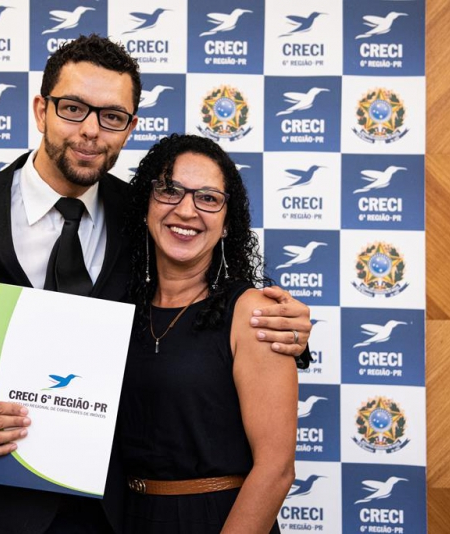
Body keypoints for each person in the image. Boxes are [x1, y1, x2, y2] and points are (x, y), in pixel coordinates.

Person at [0, 35, 309, 534]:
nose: (91, 131)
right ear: (42, 110)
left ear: (129, 129)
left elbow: (198, 304)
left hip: (104, 519)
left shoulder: (145, 217)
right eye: (74, 108)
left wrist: (286, 328)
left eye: (112, 117)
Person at [118, 134, 298, 533]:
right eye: (170, 191)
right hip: (127, 516)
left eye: (209, 198)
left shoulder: (253, 312)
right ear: (146, 205)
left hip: (216, 518)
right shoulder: (120, 307)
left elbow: (276, 469)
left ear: (227, 222)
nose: (186, 210)